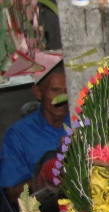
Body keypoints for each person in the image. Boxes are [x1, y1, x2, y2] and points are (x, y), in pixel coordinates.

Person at [0, 64, 70, 203]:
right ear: (38, 92)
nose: (63, 98)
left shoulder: (83, 123)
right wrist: (46, 179)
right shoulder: (18, 134)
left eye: (67, 91)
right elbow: (13, 193)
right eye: (55, 90)